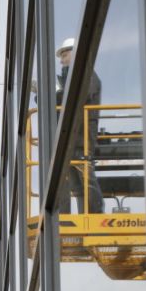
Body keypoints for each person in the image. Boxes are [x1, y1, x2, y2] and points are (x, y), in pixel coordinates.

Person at [55, 37, 105, 214]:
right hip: (71, 138)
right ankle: (72, 220)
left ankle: (95, 217)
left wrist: (54, 93)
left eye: (64, 55)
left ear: (75, 53)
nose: (61, 60)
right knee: (75, 184)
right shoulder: (72, 78)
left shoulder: (87, 75)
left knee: (86, 180)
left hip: (81, 138)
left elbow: (77, 97)